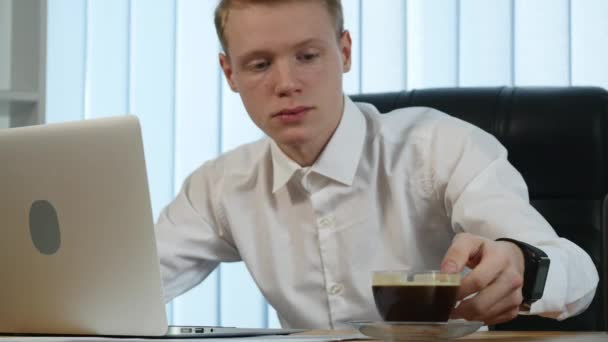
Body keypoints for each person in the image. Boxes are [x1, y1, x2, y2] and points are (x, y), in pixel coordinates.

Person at [154, 0, 598, 329]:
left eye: (307, 56)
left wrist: (522, 263)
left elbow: (577, 272)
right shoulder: (218, 186)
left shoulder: (440, 146)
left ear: (344, 52)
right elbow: (125, 289)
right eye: (259, 64)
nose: (286, 84)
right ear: (229, 73)